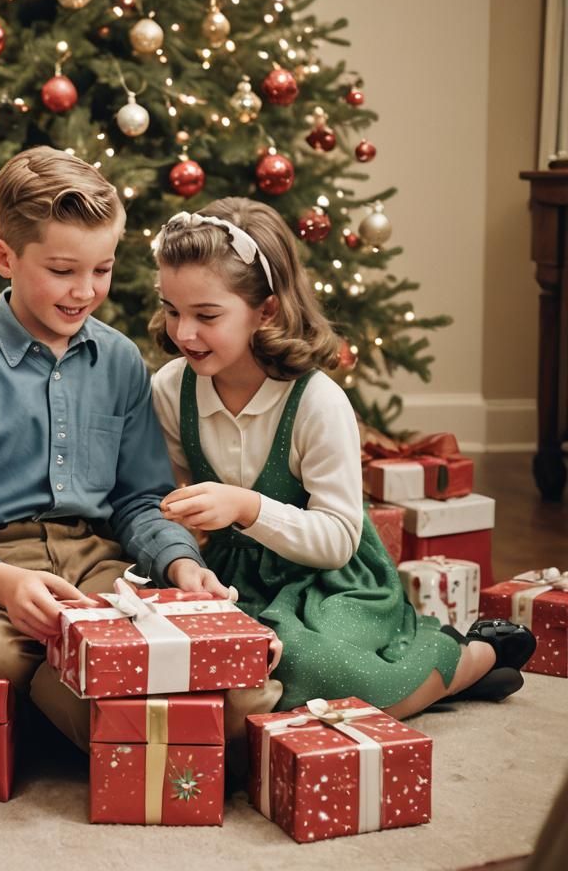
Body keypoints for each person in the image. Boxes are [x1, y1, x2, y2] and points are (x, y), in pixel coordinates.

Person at [0, 146, 235, 751]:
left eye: (103, 270)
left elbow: (140, 499)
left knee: (162, 638)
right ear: (4, 257)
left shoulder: (121, 361)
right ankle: (127, 730)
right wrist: (0, 582)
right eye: (63, 271)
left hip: (96, 562)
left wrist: (182, 564)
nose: (85, 291)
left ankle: (127, 717)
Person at [148, 198, 536, 719]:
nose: (184, 333)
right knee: (213, 662)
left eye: (206, 315)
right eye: (173, 310)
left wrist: (246, 507)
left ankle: (465, 659)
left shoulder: (315, 400)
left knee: (309, 667)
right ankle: (422, 680)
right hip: (228, 575)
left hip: (329, 582)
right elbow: (172, 508)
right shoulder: (172, 390)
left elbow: (335, 541)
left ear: (267, 310)